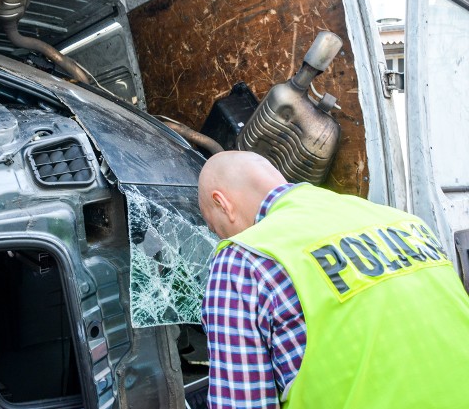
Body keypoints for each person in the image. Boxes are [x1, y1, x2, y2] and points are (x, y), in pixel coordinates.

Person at [197, 150, 469, 409]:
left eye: (215, 228)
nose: (221, 238)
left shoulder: (244, 258)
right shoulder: (405, 222)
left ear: (222, 203)